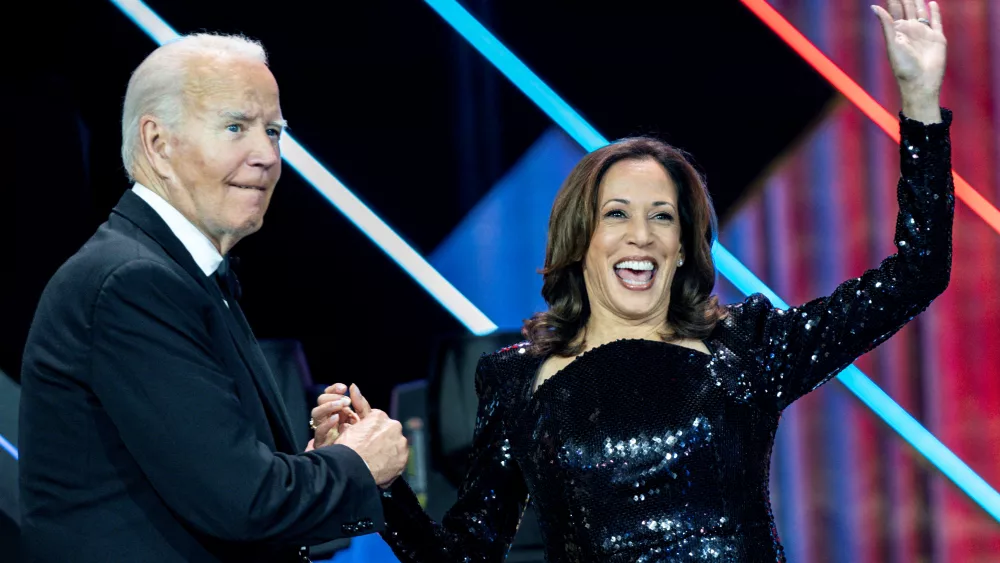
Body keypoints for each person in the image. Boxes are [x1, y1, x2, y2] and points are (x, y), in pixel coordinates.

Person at [310, 1, 953, 561]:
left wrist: (920, 104)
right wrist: (377, 477)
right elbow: (461, 555)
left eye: (662, 217)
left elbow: (916, 275)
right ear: (580, 238)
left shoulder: (749, 348)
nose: (640, 235)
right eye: (616, 215)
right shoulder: (515, 380)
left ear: (682, 248)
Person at [19, 33, 408, 563]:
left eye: (273, 131)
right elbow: (244, 504)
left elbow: (223, 485)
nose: (266, 156)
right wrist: (358, 464)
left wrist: (322, 464)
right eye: (235, 127)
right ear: (158, 144)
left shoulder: (178, 274)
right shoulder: (132, 282)